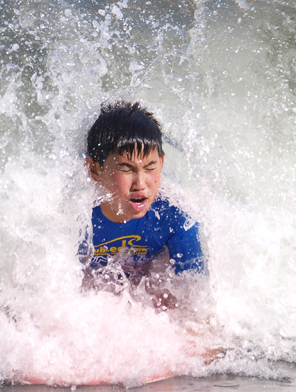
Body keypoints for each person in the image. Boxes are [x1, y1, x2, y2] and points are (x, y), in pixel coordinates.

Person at [80, 101, 205, 307]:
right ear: (94, 170)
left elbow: (196, 305)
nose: (141, 183)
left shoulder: (176, 219)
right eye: (127, 169)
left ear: (162, 163)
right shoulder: (76, 220)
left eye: (150, 167)